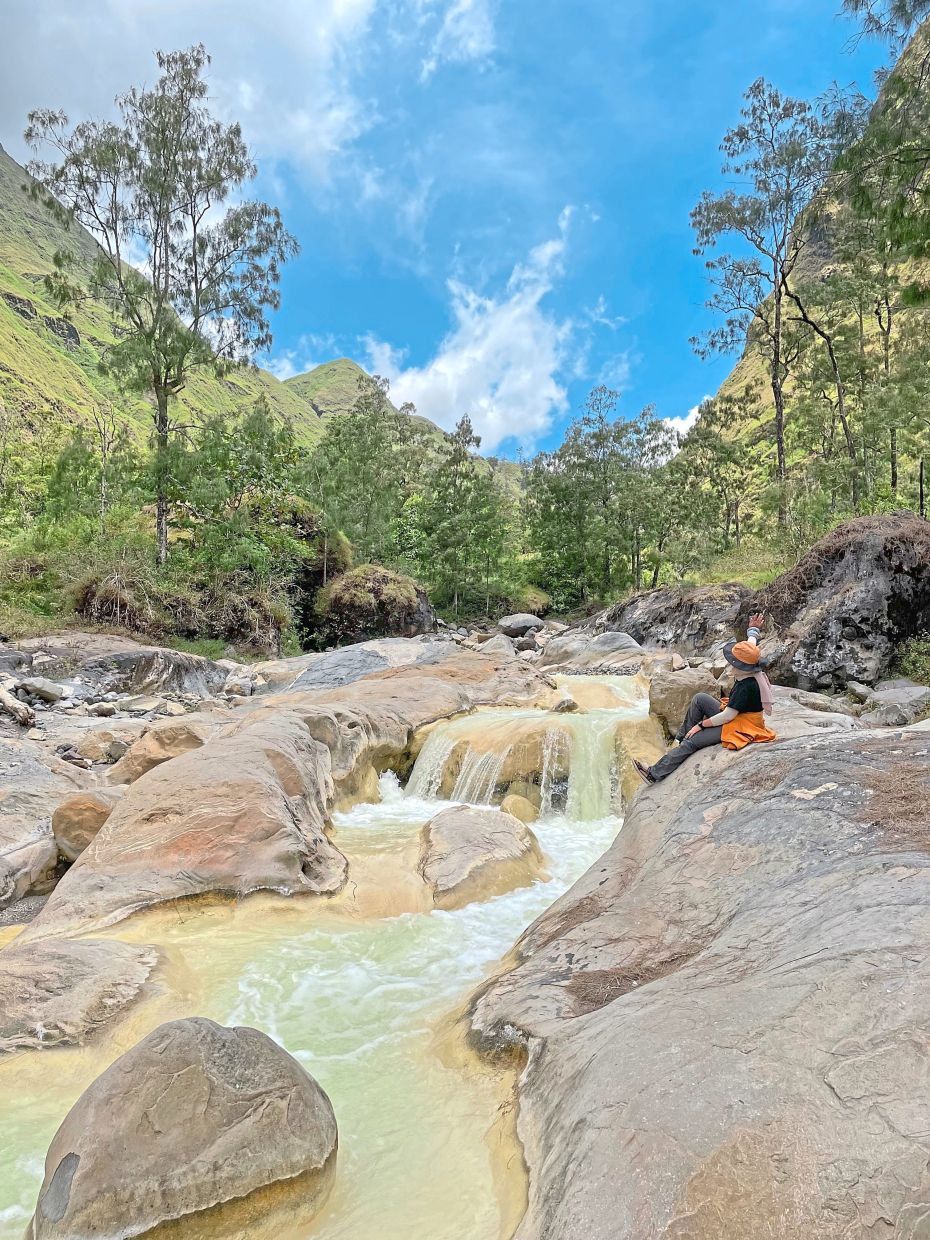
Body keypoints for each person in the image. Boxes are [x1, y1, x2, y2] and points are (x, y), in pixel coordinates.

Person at [633, 612, 776, 784]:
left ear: (740, 665)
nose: (731, 663)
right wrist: (753, 629)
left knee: (693, 741)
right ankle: (680, 739)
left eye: (733, 661)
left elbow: (727, 717)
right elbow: (751, 646)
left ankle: (654, 774)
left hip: (741, 724)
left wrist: (700, 726)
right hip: (736, 715)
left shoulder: (746, 687)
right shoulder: (751, 666)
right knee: (699, 698)